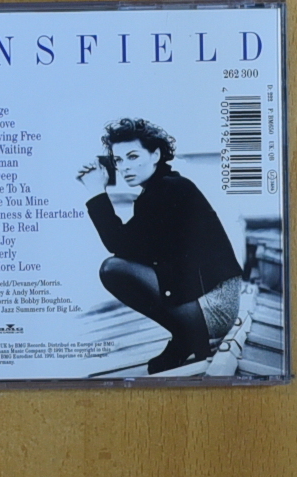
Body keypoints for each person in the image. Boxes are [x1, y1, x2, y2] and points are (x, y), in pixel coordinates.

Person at [78, 118, 242, 374]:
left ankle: (187, 337)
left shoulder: (167, 189)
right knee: (121, 267)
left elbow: (118, 245)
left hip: (214, 307)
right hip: (212, 302)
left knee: (113, 269)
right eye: (118, 160)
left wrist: (96, 193)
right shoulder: (164, 187)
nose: (125, 167)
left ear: (155, 154)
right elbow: (135, 248)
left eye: (133, 156)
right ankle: (184, 338)